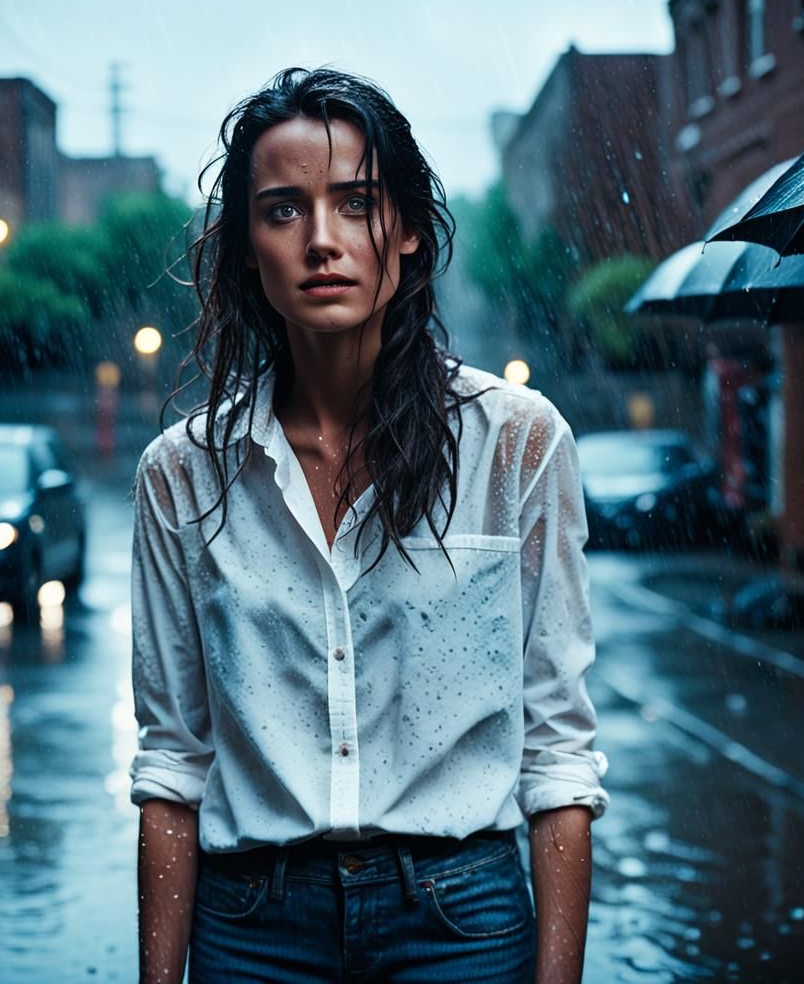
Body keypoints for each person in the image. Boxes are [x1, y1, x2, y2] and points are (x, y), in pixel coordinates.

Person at [129, 66, 609, 984]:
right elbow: (172, 765)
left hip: (463, 922)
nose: (322, 241)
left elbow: (558, 751)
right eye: (282, 210)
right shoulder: (181, 475)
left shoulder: (516, 444)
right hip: (251, 928)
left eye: (357, 204)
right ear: (246, 250)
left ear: (411, 229)